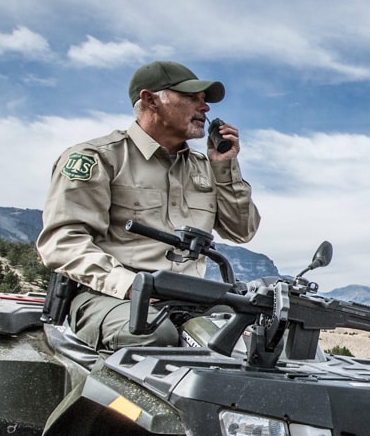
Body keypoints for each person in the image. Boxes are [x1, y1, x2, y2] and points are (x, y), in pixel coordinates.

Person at [37, 60, 261, 350]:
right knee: (154, 337)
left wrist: (225, 168)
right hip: (110, 296)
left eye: (205, 101)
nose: (204, 108)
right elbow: (62, 242)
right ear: (150, 100)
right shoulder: (100, 158)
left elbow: (242, 230)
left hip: (193, 300)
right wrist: (129, 285)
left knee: (259, 344)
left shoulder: (206, 168)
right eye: (192, 98)